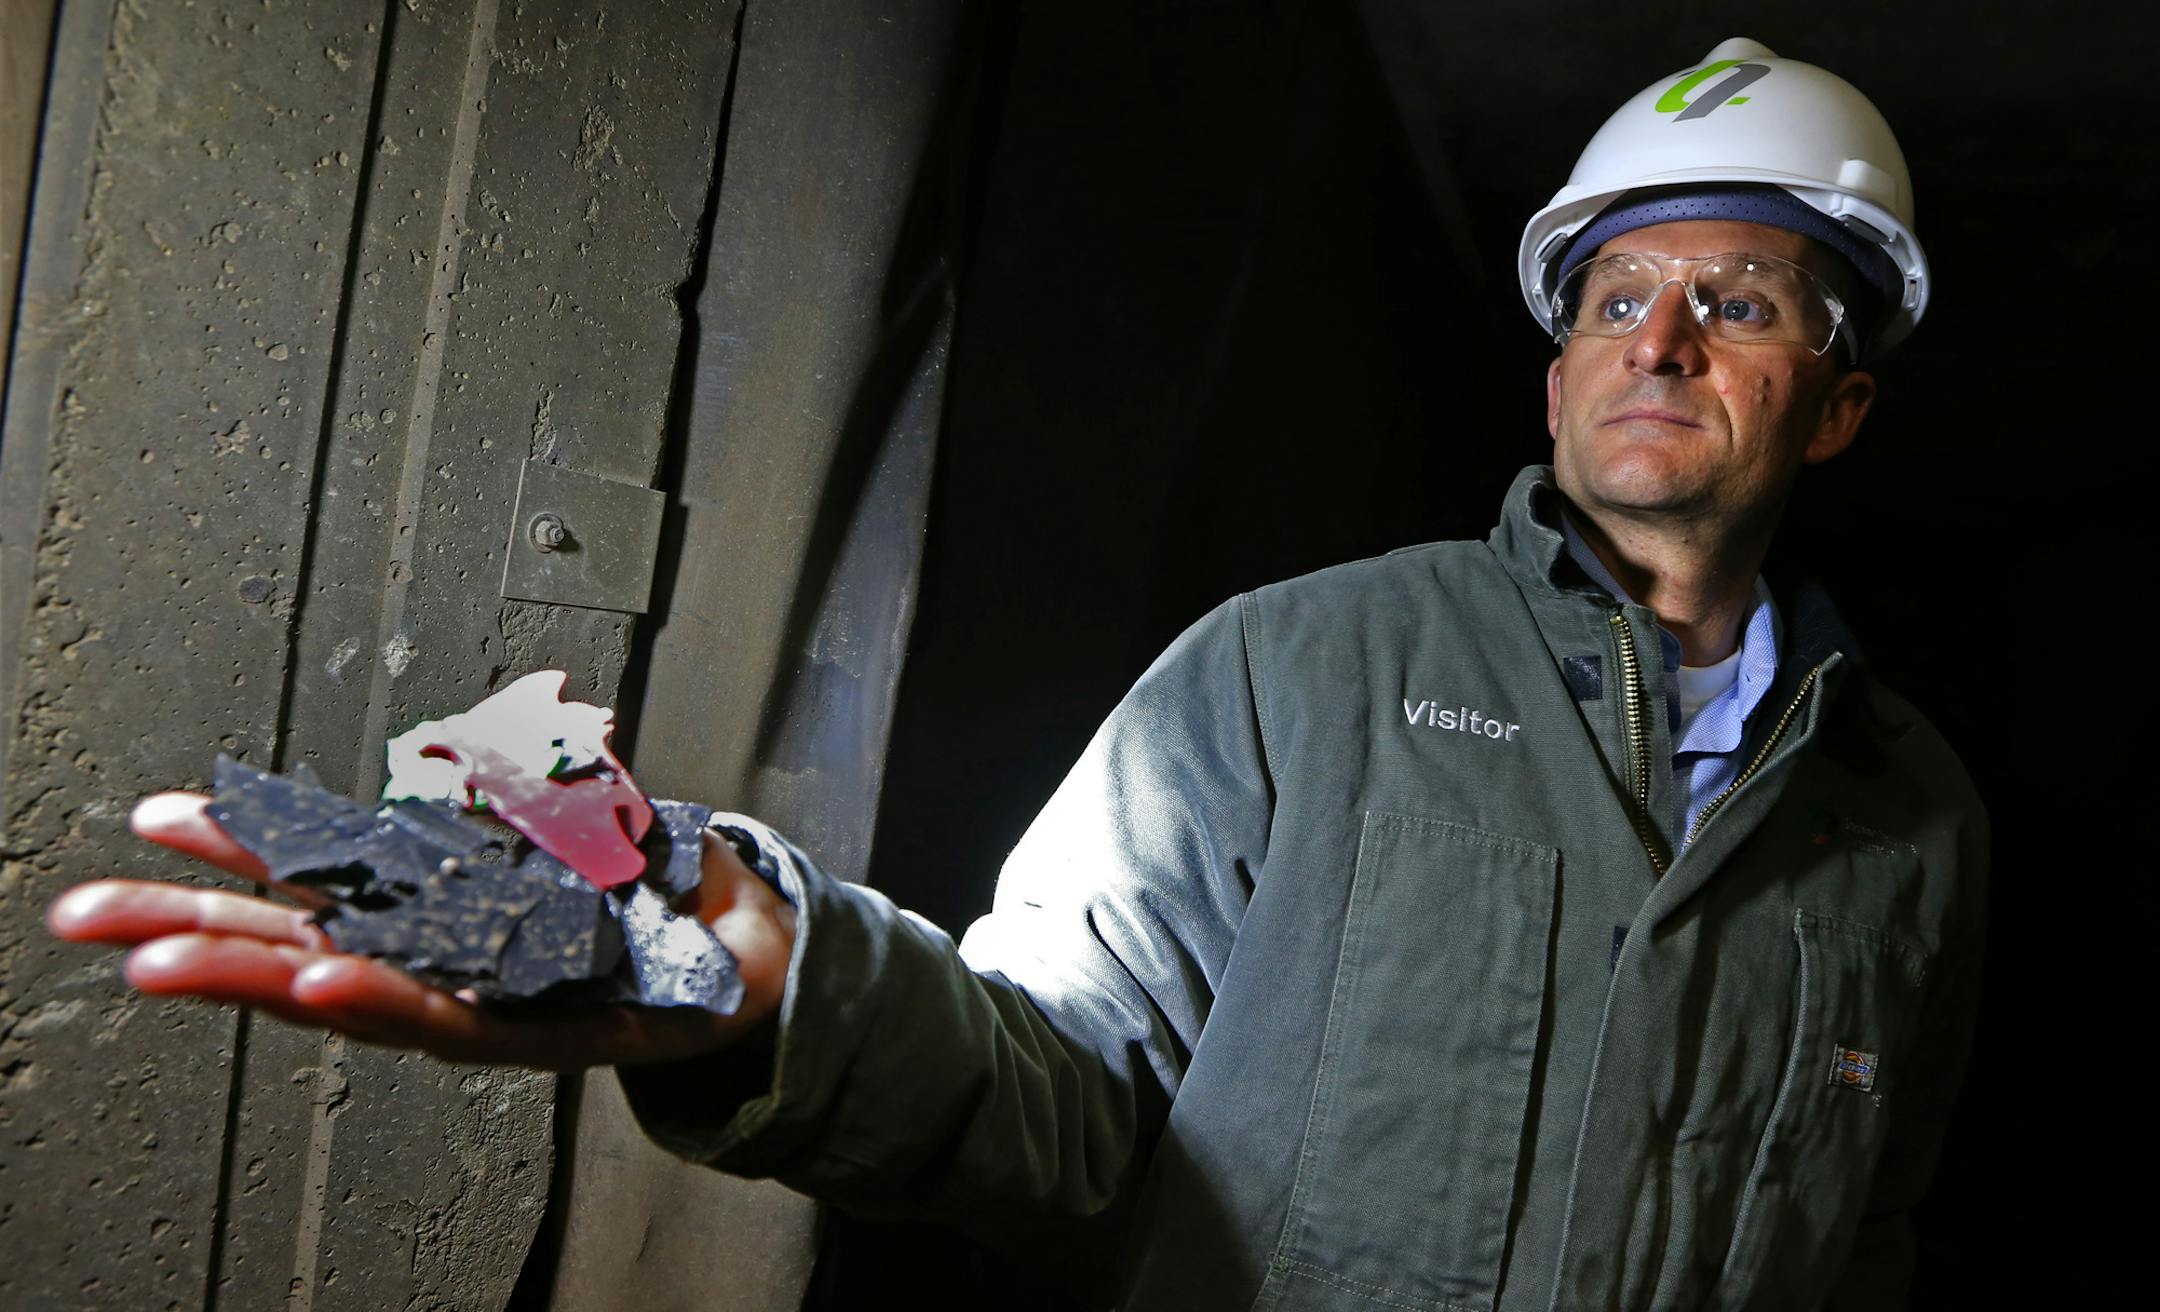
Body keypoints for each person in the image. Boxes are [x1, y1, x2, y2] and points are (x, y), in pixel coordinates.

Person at [48, 37, 1984, 1310]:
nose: (1660, 339)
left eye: (1737, 303)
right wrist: (776, 996)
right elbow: (1051, 1083)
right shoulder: (1301, 670)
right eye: (1618, 297)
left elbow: (1864, 1238)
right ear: (1557, 380)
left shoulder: (1913, 821)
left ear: (1835, 405)